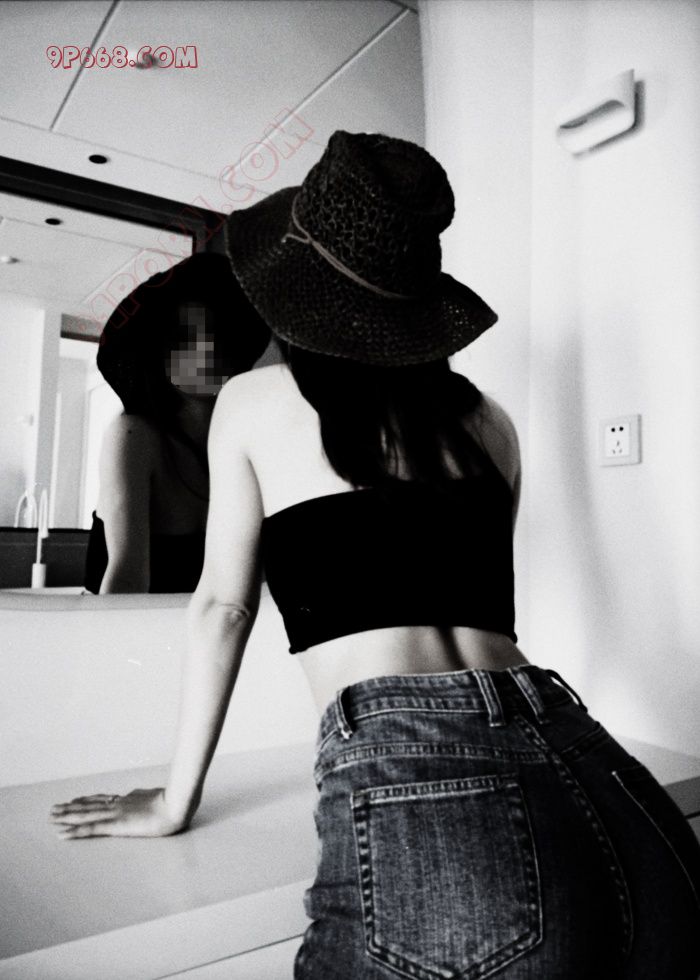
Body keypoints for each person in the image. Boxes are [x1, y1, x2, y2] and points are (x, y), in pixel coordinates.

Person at [52, 132, 700, 977]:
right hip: (595, 767)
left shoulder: (253, 402)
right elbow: (468, 618)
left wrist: (176, 798)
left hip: (429, 778)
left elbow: (224, 608)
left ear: (293, 288)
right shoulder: (490, 423)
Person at [83, 252, 270, 593]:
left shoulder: (245, 443)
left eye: (215, 331)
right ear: (159, 352)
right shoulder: (134, 435)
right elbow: (127, 579)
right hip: (120, 624)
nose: (206, 348)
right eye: (185, 338)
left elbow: (251, 582)